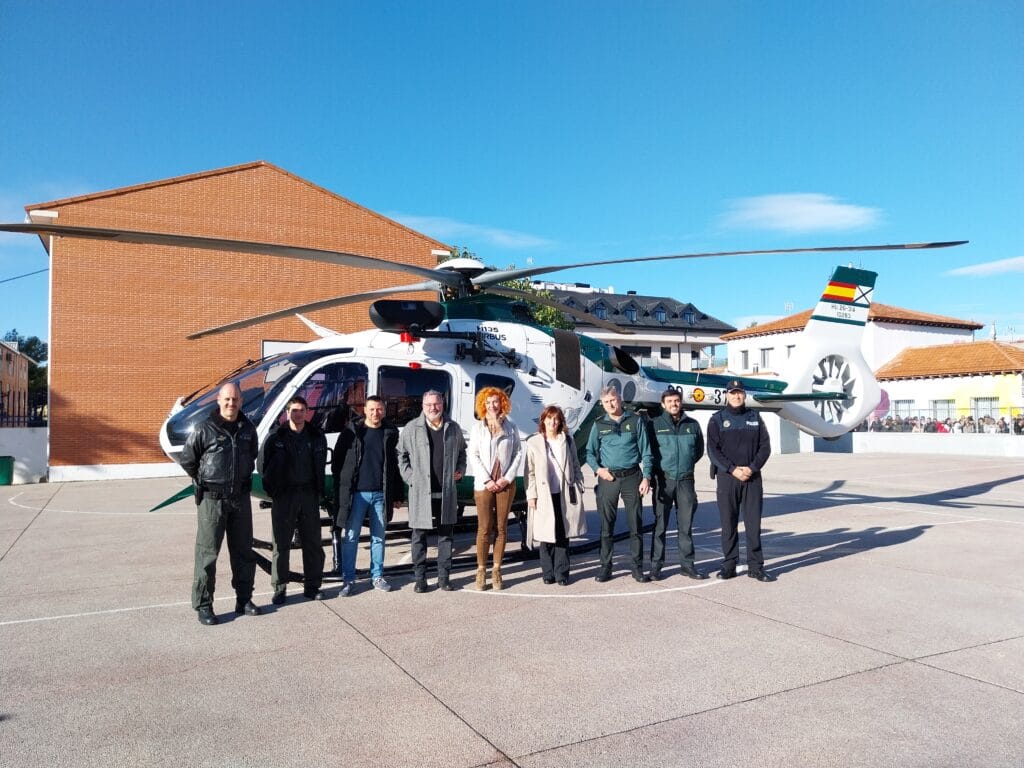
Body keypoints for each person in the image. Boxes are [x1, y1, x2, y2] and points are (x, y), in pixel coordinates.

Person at [179, 383, 262, 625]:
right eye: (227, 399)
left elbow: (252, 455)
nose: (231, 403)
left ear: (241, 401)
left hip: (240, 500)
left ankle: (244, 599)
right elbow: (188, 460)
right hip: (212, 501)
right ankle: (204, 605)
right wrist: (206, 479)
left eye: (235, 399)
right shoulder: (205, 429)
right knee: (207, 555)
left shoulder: (247, 429)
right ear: (218, 400)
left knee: (244, 552)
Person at [331, 396, 402, 596]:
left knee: (378, 537)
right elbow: (337, 462)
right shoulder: (351, 432)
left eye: (379, 409)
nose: (375, 413)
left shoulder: (390, 433)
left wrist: (396, 494)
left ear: (384, 411)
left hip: (380, 494)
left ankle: (377, 576)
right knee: (351, 537)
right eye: (372, 409)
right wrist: (342, 489)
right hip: (356, 495)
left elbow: (393, 467)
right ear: (364, 410)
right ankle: (348, 579)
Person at [398, 390, 466, 592]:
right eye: (428, 405)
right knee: (419, 536)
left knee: (446, 537)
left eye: (436, 404)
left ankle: (444, 577)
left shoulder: (453, 428)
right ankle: (420, 579)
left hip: (445, 492)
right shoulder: (412, 428)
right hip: (421, 493)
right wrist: (411, 478)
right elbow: (401, 455)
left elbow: (462, 452)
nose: (433, 408)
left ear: (442, 405)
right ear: (422, 406)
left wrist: (460, 470)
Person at [263, 395, 329, 604]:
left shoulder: (316, 435)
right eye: (293, 410)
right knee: (281, 544)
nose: (297, 414)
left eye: (301, 410)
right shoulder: (276, 437)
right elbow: (262, 466)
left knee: (312, 543)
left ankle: (312, 586)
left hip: (309, 495)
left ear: (307, 411)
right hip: (285, 496)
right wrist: (273, 492)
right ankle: (280, 588)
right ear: (287, 412)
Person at [707, 379, 774, 583]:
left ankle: (756, 567)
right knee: (728, 524)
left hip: (752, 478)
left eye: (740, 393)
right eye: (733, 393)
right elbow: (712, 451)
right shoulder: (717, 420)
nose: (736, 396)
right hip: (728, 478)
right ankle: (729, 565)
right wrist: (732, 469)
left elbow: (765, 447)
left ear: (744, 395)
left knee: (753, 524)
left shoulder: (755, 417)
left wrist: (752, 468)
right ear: (727, 395)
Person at [585, 386, 653, 583]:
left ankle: (637, 568)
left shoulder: (635, 420)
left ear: (620, 399)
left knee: (635, 525)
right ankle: (605, 567)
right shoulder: (599, 425)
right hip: (609, 479)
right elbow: (589, 452)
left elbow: (646, 451)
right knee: (606, 527)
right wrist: (598, 470)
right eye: (606, 402)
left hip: (632, 477)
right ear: (602, 404)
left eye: (613, 400)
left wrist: (646, 477)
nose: (610, 404)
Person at [467, 387, 522, 591]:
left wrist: (507, 478)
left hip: (505, 484)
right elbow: (474, 455)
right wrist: (487, 480)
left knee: (501, 528)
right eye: (488, 402)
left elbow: (517, 453)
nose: (492, 406)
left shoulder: (511, 427)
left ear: (502, 404)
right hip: (484, 485)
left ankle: (497, 570)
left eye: (495, 402)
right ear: (483, 405)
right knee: (484, 528)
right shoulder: (477, 428)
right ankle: (481, 570)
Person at [525, 405, 586, 585]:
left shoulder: (567, 440)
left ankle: (562, 573)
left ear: (560, 422)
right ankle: (547, 572)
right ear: (543, 420)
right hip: (544, 495)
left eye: (556, 418)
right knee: (545, 536)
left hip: (563, 493)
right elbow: (530, 472)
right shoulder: (533, 442)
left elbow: (575, 463)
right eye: (549, 418)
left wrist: (579, 484)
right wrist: (531, 495)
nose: (553, 422)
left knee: (562, 534)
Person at [649, 389, 706, 580]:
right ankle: (656, 566)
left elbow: (698, 452)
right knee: (660, 527)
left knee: (686, 526)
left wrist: (684, 466)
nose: (674, 404)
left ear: (681, 402)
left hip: (686, 481)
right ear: (663, 404)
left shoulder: (693, 425)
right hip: (663, 481)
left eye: (677, 400)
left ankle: (687, 565)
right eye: (670, 401)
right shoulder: (654, 425)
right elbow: (648, 453)